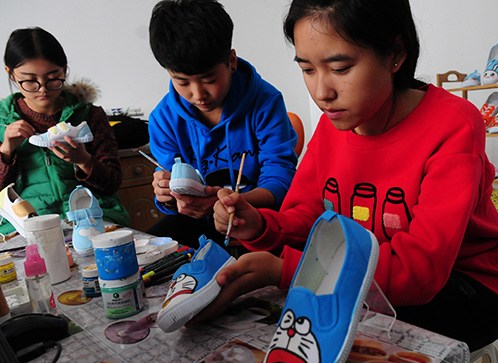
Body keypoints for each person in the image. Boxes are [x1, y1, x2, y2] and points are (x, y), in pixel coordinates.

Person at [201, 0, 498, 352]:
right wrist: (262, 227)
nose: (322, 92)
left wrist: (288, 271)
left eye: (340, 68)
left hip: (468, 288)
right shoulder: (332, 126)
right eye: (308, 70)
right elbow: (307, 218)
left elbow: (419, 272)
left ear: (395, 54)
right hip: (375, 276)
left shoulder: (453, 126)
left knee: (345, 346)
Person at [147, 0, 298, 249]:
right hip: (201, 224)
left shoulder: (265, 102)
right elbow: (173, 195)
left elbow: (281, 179)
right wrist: (166, 196)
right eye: (182, 82)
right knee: (153, 250)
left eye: (209, 79)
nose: (198, 94)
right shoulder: (163, 119)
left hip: (257, 217)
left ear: (231, 61)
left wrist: (233, 204)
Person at [0, 27, 130, 236]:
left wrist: (84, 161)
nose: (42, 89)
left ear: (64, 70)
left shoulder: (89, 115)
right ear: (11, 73)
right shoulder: (1, 122)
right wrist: (6, 151)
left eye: (53, 78)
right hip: (27, 230)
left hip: (93, 220)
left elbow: (112, 183)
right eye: (29, 80)